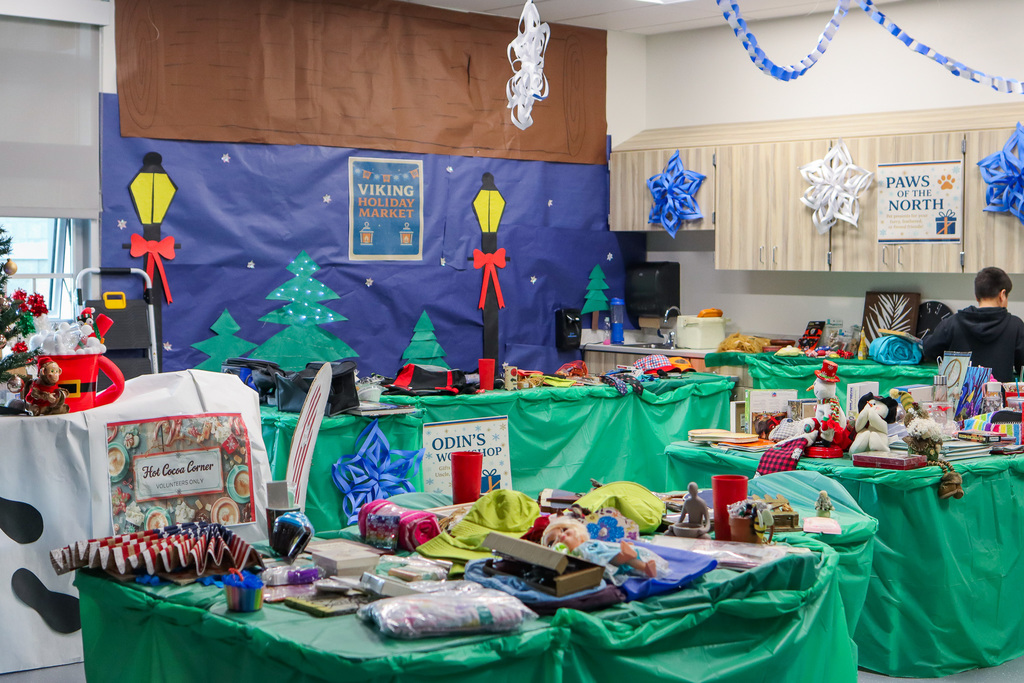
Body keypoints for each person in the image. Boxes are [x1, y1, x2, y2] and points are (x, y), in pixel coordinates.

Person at [922, 267, 1024, 382]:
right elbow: (1022, 367)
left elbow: (928, 350)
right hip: (997, 398)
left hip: (958, 398)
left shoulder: (952, 323)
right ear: (1002, 294)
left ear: (976, 296)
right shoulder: (1015, 326)